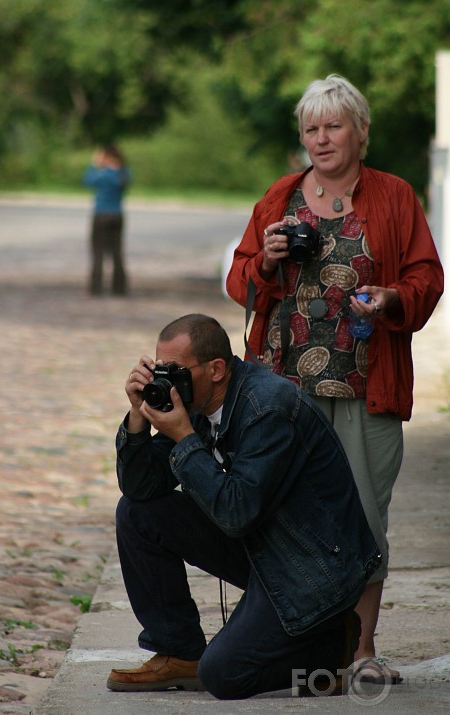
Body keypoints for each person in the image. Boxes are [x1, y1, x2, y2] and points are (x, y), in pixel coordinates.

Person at [226, 74, 444, 683]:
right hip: (283, 389)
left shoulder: (395, 196)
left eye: (333, 126)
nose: (321, 139)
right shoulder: (279, 197)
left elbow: (429, 278)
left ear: (361, 132)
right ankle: (295, 643)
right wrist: (264, 261)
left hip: (367, 385)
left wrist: (393, 296)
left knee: (365, 516)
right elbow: (239, 282)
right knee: (282, 514)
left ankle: (361, 649)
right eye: (311, 128)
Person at [107, 313, 382, 699]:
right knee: (137, 513)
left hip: (313, 568)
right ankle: (179, 651)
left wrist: (184, 437)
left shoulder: (267, 408)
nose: (166, 382)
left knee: (223, 676)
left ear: (216, 369)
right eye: (160, 369)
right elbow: (141, 487)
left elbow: (236, 514)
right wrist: (138, 418)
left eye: (176, 370)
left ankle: (329, 649)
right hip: (264, 546)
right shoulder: (199, 402)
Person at [83, 145, 131, 296]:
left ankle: (96, 289)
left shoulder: (103, 174)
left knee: (98, 252)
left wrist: (94, 165)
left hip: (101, 214)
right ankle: (119, 289)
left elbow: (87, 181)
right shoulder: (123, 173)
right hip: (117, 215)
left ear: (107, 158)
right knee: (117, 252)